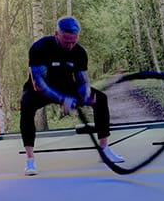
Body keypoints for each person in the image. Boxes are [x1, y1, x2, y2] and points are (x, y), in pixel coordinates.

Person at [20, 16, 125, 175]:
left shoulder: (79, 52)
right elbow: (38, 85)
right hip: (41, 88)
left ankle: (104, 151)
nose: (70, 46)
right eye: (66, 41)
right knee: (26, 105)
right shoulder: (39, 48)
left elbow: (83, 81)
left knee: (100, 99)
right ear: (57, 34)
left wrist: (85, 94)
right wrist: (62, 99)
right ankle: (30, 160)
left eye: (73, 42)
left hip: (67, 86)